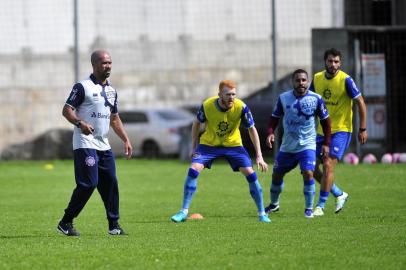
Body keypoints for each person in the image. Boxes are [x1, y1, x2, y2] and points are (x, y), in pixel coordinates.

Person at [170, 80, 271, 223]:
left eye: (234, 94)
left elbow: (251, 129)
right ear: (219, 95)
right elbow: (196, 123)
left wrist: (259, 156)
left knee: (250, 173)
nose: (231, 97)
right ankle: (183, 212)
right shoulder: (207, 105)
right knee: (193, 170)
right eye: (228, 94)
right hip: (209, 144)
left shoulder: (241, 107)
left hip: (233, 145)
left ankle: (262, 214)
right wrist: (194, 146)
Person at [57, 50, 133, 236]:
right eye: (103, 63)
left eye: (109, 62)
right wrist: (79, 123)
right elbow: (67, 110)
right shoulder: (82, 86)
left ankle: (114, 225)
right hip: (85, 143)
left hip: (103, 145)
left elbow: (114, 119)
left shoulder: (112, 91)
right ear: (94, 64)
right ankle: (65, 222)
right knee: (88, 184)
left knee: (111, 183)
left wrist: (126, 139)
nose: (107, 66)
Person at [265, 69, 331, 218]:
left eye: (303, 80)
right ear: (292, 82)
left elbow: (326, 123)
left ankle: (308, 209)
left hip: (307, 145)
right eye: (298, 80)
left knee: (308, 173)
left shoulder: (316, 99)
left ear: (307, 82)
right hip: (287, 146)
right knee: (276, 175)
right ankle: (274, 204)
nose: (301, 83)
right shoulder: (283, 98)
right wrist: (270, 133)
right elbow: (274, 118)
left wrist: (327, 143)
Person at [309, 48, 368, 216]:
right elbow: (310, 102)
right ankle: (339, 193)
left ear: (340, 63)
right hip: (321, 131)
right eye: (330, 61)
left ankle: (320, 206)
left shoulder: (346, 80)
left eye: (336, 62)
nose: (333, 65)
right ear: (325, 62)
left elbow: (361, 103)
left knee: (328, 165)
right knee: (309, 167)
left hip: (341, 131)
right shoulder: (317, 79)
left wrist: (362, 128)